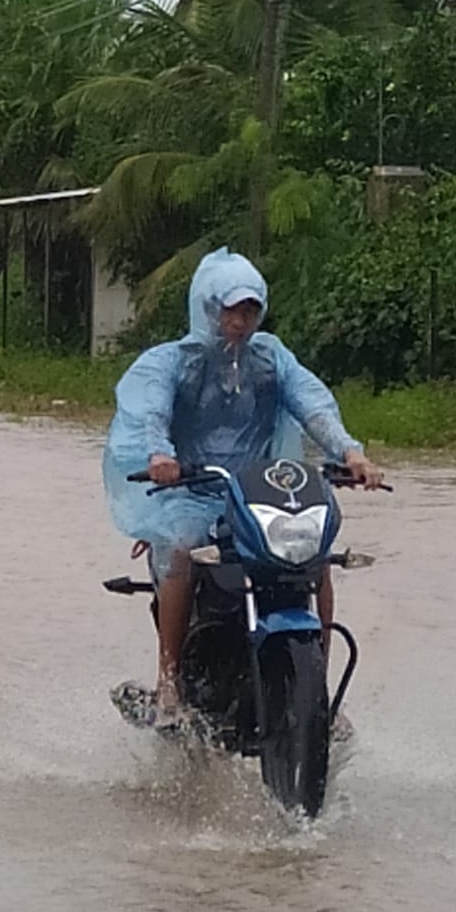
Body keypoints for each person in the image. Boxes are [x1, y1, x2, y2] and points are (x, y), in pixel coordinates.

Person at [102, 247, 383, 718]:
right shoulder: (170, 362)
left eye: (250, 308)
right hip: (189, 493)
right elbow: (152, 410)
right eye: (231, 307)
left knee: (316, 557)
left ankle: (318, 694)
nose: (241, 319)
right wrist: (161, 456)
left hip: (259, 494)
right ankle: (168, 685)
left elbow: (312, 404)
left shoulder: (271, 358)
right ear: (207, 306)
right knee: (181, 548)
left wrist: (351, 453)